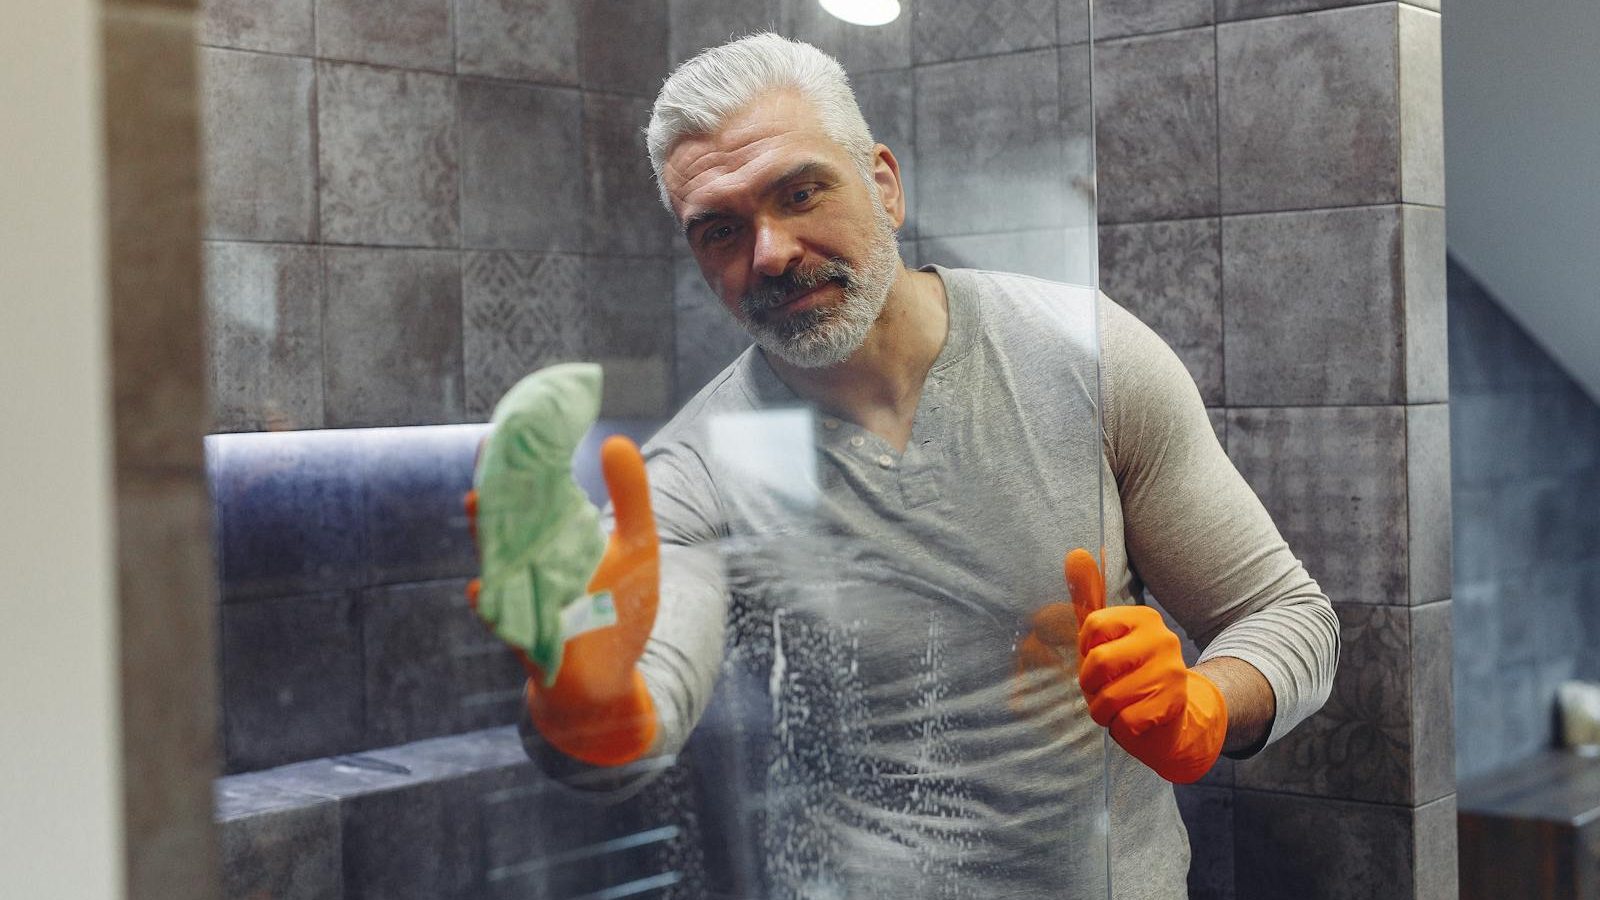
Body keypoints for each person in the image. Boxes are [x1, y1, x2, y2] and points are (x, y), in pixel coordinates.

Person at [466, 32, 1339, 899]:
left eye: (801, 191)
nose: (769, 253)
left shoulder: (1086, 357)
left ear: (883, 183)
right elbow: (638, 717)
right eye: (720, 230)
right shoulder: (697, 469)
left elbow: (1286, 615)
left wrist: (1206, 707)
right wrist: (589, 710)